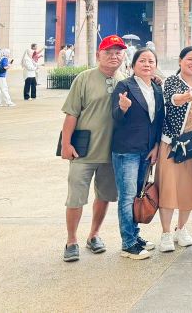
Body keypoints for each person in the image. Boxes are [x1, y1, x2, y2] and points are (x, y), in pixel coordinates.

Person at [59, 35, 128, 262]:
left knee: (104, 196)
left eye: (118, 52)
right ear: (99, 54)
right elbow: (71, 114)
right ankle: (71, 240)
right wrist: (66, 144)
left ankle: (94, 235)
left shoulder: (126, 81)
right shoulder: (84, 78)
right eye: (109, 52)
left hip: (112, 153)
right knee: (76, 198)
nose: (114, 56)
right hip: (83, 152)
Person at [111, 46, 164, 260]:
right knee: (127, 196)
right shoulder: (125, 86)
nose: (147, 64)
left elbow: (158, 121)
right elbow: (115, 117)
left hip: (147, 150)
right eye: (142, 61)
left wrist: (156, 146)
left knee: (137, 196)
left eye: (151, 61)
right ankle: (128, 244)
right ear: (133, 65)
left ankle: (135, 235)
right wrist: (123, 108)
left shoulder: (157, 88)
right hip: (127, 150)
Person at [156, 46, 192, 253]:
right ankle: (166, 233)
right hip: (172, 144)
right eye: (189, 59)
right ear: (180, 61)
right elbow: (172, 99)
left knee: (188, 188)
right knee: (169, 188)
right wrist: (184, 98)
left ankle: (181, 229)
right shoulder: (171, 81)